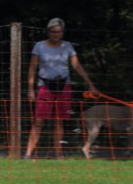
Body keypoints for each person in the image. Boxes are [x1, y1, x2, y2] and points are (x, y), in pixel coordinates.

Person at [24, 18, 97, 159]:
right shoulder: (39, 46)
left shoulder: (67, 46)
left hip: (64, 86)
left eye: (59, 32)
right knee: (39, 120)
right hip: (45, 86)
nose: (56, 34)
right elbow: (32, 68)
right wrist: (30, 89)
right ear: (48, 32)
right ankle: (28, 153)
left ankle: (58, 153)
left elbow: (77, 66)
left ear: (62, 32)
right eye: (53, 31)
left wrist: (90, 84)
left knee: (59, 120)